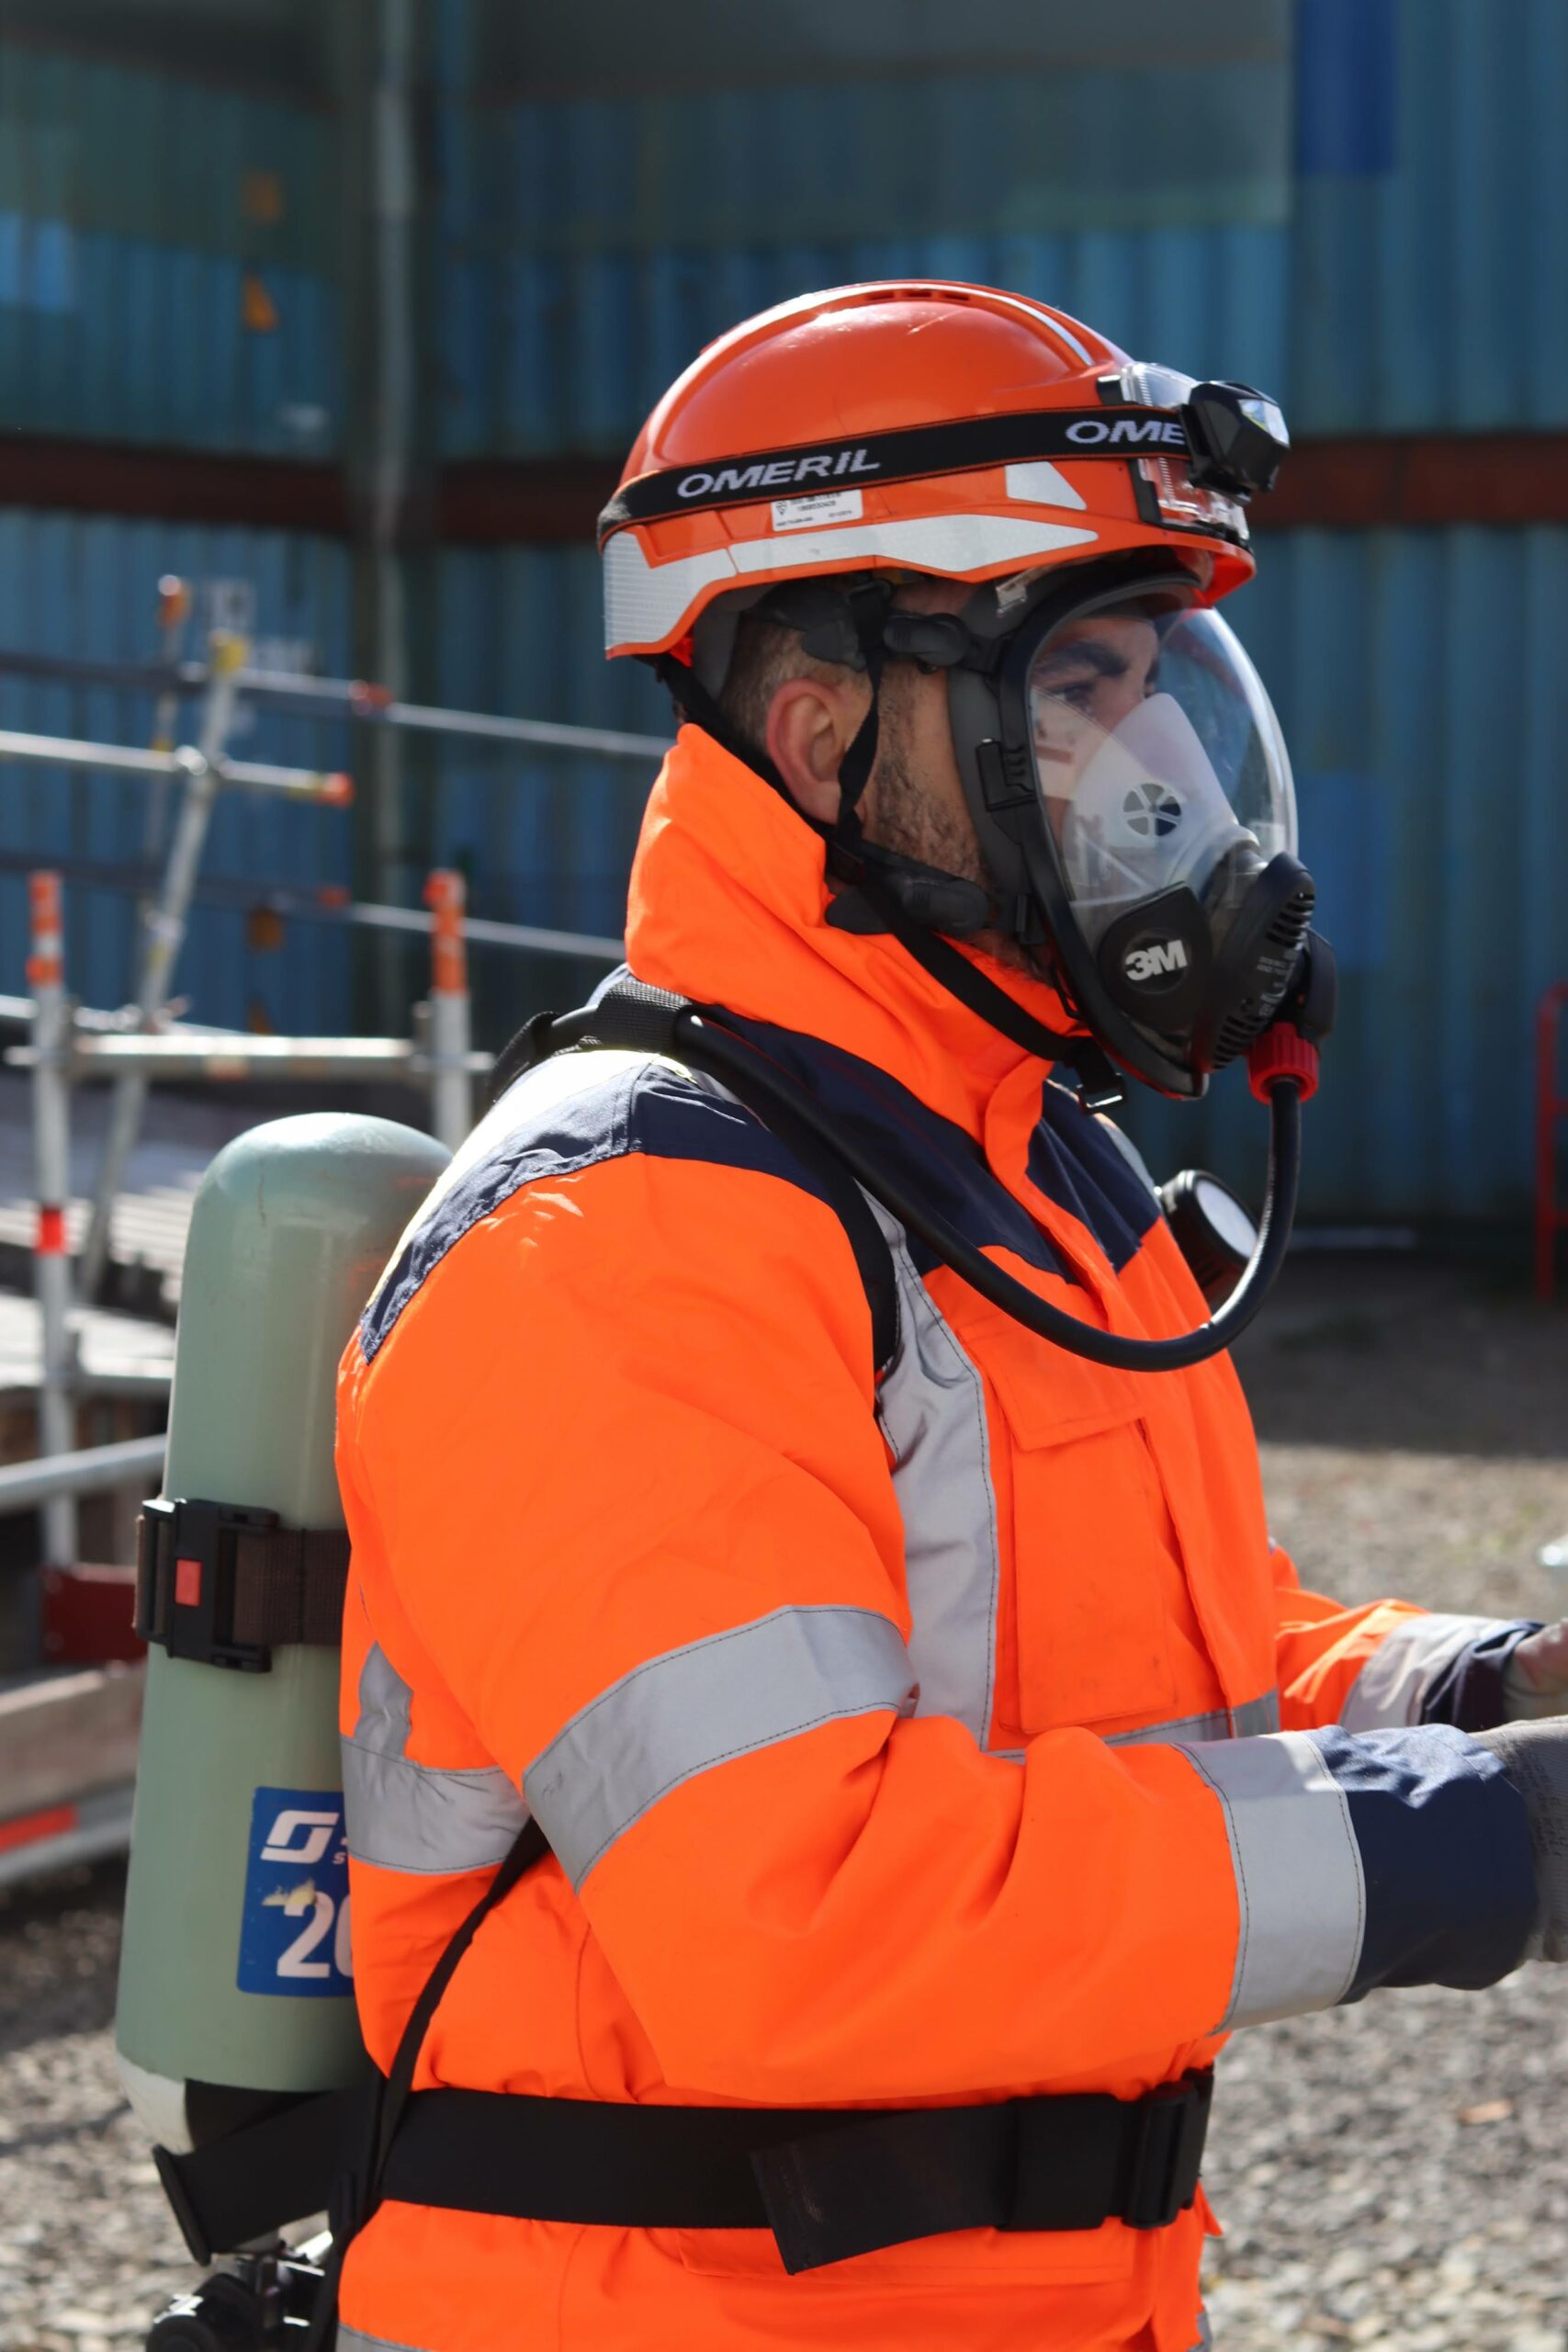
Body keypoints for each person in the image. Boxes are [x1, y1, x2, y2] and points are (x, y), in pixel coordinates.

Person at [331, 283, 1568, 2352]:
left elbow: (1158, 1676)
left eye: (1145, 683)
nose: (1149, 772)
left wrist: (1483, 1683)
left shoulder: (1014, 1170)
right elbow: (798, 1912)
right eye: (1066, 689)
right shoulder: (625, 1235)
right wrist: (1492, 1839)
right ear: (825, 738)